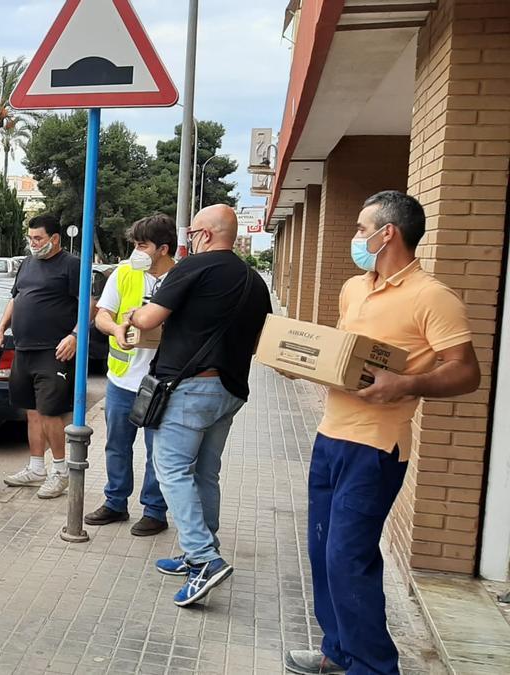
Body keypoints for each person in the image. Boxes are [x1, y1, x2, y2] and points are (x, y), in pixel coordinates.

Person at [284, 192, 479, 675]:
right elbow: (344, 357)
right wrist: (300, 363)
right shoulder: (354, 287)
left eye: (359, 227)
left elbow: (467, 372)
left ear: (385, 232)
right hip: (331, 436)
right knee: (323, 551)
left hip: (377, 448)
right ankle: (337, 650)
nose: (356, 237)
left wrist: (408, 383)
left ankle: (373, 667)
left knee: (349, 558)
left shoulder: (432, 297)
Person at [120, 204, 271, 607]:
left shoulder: (191, 268)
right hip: (230, 391)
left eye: (191, 232)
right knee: (206, 471)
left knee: (171, 469)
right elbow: (260, 340)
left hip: (190, 389)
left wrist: (133, 314)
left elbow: (151, 319)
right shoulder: (255, 281)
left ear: (204, 234)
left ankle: (205, 559)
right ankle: (197, 550)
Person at [84, 214, 176, 536]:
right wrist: (115, 329)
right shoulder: (124, 273)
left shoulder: (182, 278)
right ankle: (115, 502)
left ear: (163, 248)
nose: (135, 251)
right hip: (122, 380)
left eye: (142, 245)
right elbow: (102, 316)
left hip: (164, 383)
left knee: (158, 451)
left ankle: (154, 510)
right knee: (117, 445)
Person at [0, 214, 83, 499]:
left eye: (38, 238)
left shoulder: (71, 265)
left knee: (50, 413)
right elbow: (16, 298)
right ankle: (36, 468)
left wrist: (76, 336)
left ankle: (60, 472)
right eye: (30, 238)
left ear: (55, 239)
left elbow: (89, 305)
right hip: (23, 348)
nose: (33, 243)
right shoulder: (27, 264)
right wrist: (1, 329)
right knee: (31, 411)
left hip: (54, 351)